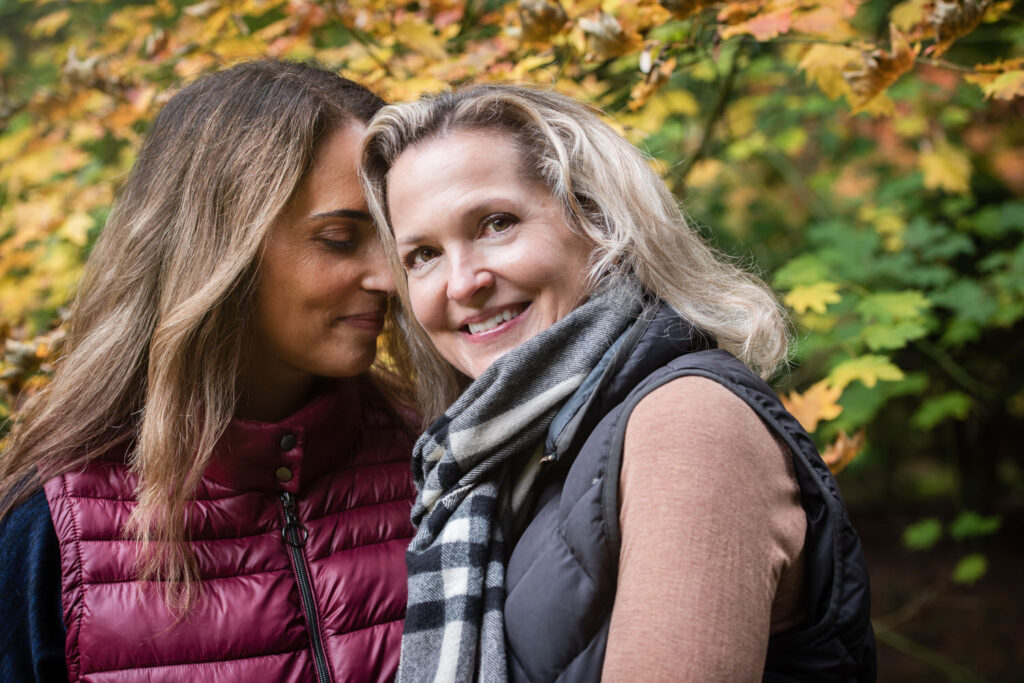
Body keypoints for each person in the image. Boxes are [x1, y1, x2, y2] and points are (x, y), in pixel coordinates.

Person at [359, 85, 876, 682]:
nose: (461, 283)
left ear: (600, 219)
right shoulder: (509, 458)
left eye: (496, 223)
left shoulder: (687, 423)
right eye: (422, 254)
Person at [0, 60, 418, 683]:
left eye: (395, 238)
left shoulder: (437, 461)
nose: (390, 277)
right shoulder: (52, 531)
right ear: (220, 246)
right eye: (338, 237)